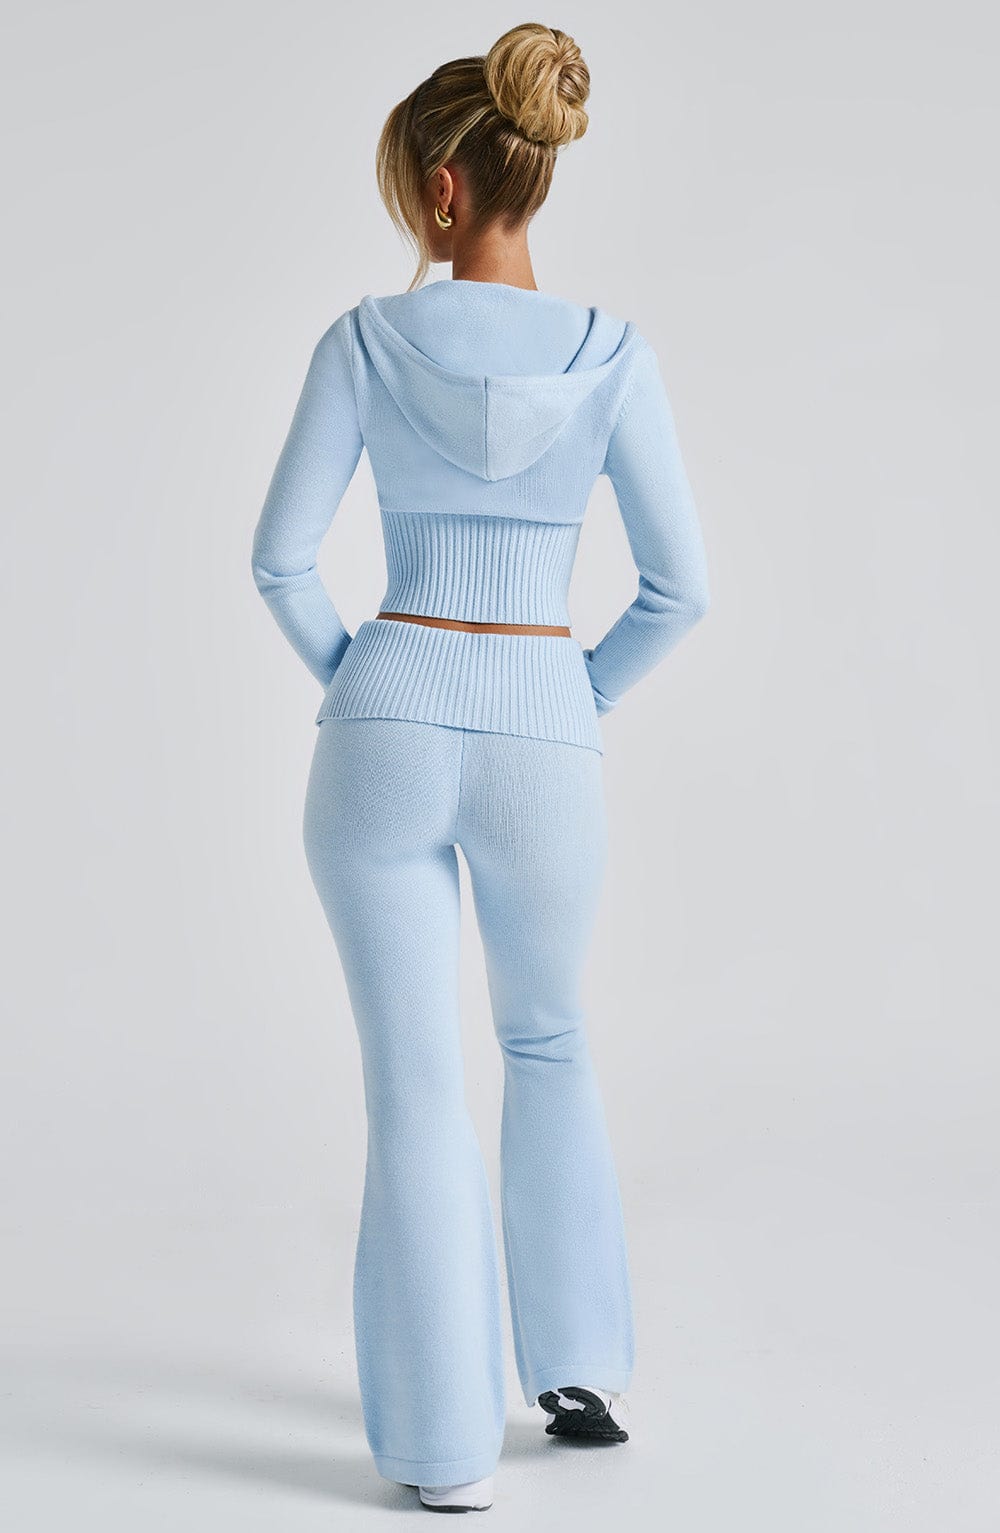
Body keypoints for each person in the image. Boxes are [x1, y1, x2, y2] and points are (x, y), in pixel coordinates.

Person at [251, 21, 710, 1514]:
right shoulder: (614, 355)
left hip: (382, 721)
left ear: (443, 191)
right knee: (548, 1038)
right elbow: (679, 591)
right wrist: (568, 696)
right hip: (543, 735)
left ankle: (441, 1455)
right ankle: (578, 1372)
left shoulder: (364, 341)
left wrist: (366, 686)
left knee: (415, 1083)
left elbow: (280, 561)